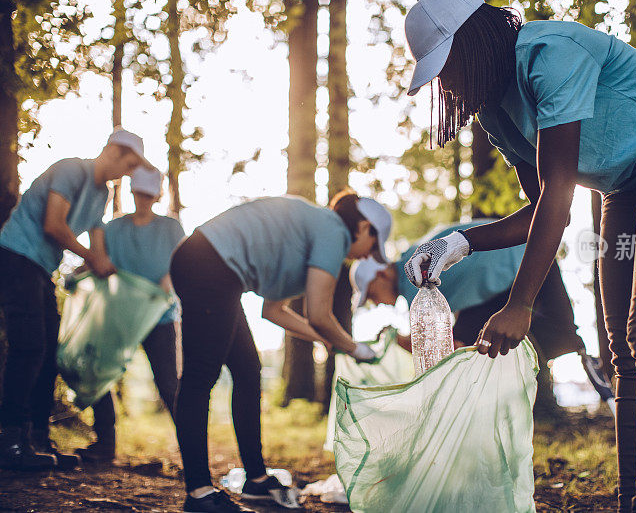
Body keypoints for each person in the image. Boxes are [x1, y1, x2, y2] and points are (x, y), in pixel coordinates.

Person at [402, 0, 636, 513]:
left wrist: (520, 304)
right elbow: (540, 208)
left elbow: (560, 192)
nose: (445, 83)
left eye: (447, 66)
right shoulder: (495, 111)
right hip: (625, 185)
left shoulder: (548, 53)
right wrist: (461, 242)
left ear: (476, 42)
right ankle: (634, 502)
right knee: (622, 352)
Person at [170, 191, 391, 513]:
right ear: (363, 227)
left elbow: (274, 311)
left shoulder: (314, 238)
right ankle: (200, 494)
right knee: (199, 376)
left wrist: (328, 339)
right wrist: (355, 348)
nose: (367, 256)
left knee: (247, 371)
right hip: (209, 265)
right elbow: (319, 314)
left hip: (212, 267)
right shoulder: (334, 233)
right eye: (373, 245)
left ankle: (257, 481)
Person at [0, 128, 149, 470]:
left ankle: (37, 439)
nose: (127, 173)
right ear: (113, 150)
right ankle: (10, 439)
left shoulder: (102, 195)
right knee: (28, 347)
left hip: (41, 270)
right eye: (128, 164)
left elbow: (97, 247)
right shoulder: (71, 170)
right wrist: (91, 257)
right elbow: (54, 224)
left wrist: (102, 265)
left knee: (49, 352)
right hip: (16, 256)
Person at [350, 219, 613, 404]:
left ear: (383, 274)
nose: (378, 303)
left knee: (477, 343)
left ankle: (592, 377)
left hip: (517, 268)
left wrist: (399, 341)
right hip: (531, 252)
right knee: (562, 331)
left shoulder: (413, 277)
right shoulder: (416, 256)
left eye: (372, 294)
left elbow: (441, 349)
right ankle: (592, 373)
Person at [75, 166, 185, 462]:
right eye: (140, 193)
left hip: (158, 317)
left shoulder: (171, 228)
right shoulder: (114, 228)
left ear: (157, 195)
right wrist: (79, 273)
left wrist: (167, 282)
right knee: (100, 374)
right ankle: (104, 445)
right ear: (134, 192)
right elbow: (99, 260)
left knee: (168, 382)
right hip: (118, 316)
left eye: (150, 195)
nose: (144, 199)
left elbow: (182, 264)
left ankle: (191, 449)